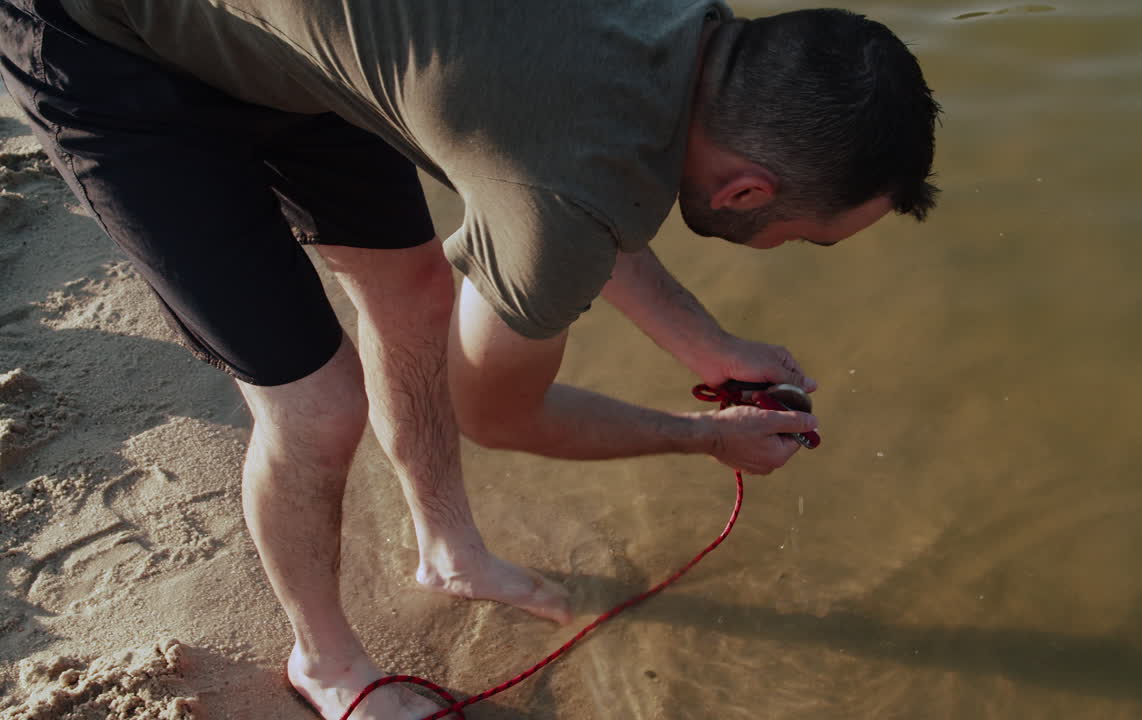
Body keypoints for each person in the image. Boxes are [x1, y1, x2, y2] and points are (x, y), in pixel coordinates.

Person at [0, 0, 940, 716]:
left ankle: (446, 548)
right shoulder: (563, 192)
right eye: (806, 239)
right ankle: (325, 665)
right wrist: (705, 439)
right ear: (745, 189)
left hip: (294, 44)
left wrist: (710, 345)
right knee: (318, 406)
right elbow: (501, 411)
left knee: (414, 292)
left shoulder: (679, 37)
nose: (795, 249)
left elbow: (578, 177)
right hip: (106, 40)